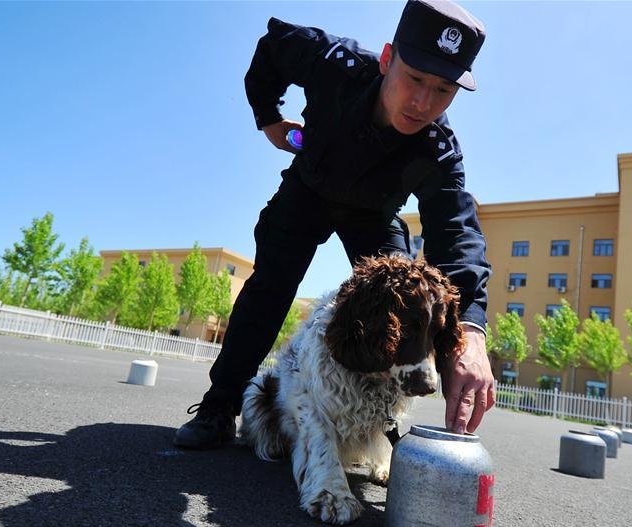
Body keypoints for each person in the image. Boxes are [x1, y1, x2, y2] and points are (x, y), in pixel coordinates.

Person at [175, 0, 495, 450]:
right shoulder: (335, 63)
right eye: (415, 78)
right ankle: (219, 405)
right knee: (270, 285)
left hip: (372, 216)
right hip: (308, 190)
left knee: (403, 299)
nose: (423, 102)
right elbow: (274, 46)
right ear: (387, 59)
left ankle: (381, 424)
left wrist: (471, 336)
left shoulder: (439, 152)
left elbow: (457, 238)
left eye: (443, 89)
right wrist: (267, 117)